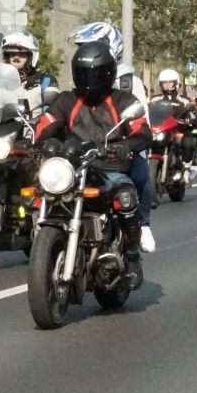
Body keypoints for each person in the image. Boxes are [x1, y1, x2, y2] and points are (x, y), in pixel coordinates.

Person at [33, 24, 154, 253]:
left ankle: (130, 252)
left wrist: (125, 146)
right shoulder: (67, 99)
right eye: (83, 72)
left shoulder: (122, 100)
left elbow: (142, 130)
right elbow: (48, 121)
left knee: (126, 197)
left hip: (110, 167)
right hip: (73, 168)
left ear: (108, 72)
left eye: (95, 73)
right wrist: (39, 142)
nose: (89, 79)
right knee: (37, 191)